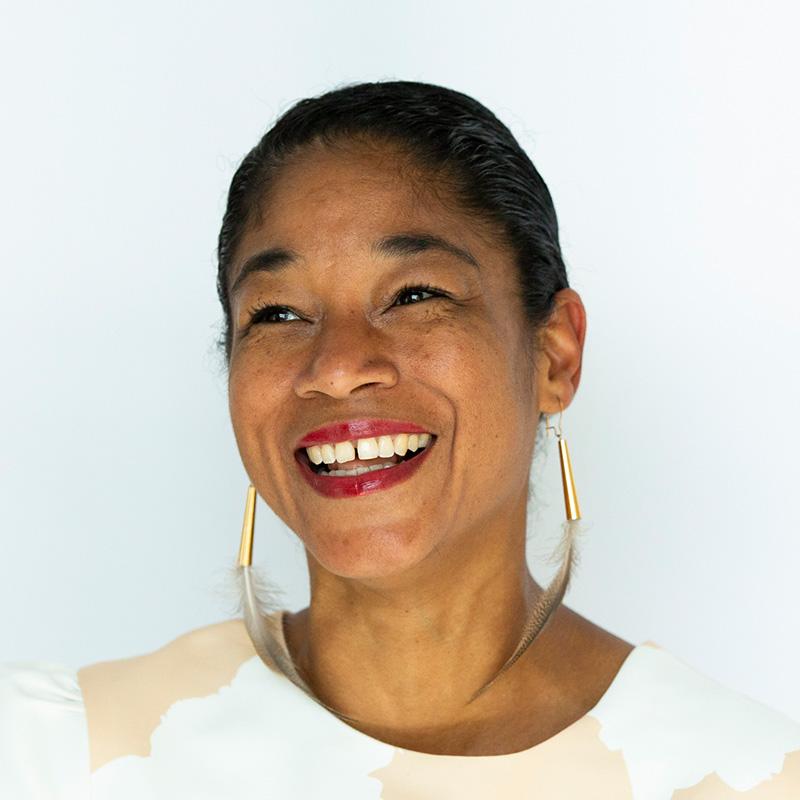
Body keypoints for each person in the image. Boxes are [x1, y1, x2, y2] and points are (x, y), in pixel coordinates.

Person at [2, 80, 798, 798]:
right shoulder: (60, 757)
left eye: (416, 295)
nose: (338, 367)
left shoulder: (746, 776)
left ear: (554, 356)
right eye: (277, 313)